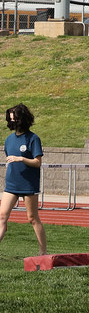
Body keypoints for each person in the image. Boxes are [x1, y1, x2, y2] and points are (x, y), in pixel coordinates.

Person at [1, 104, 46, 255]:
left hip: (28, 184)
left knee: (32, 218)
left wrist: (21, 159)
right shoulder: (9, 140)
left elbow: (37, 162)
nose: (13, 122)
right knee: (2, 216)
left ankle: (43, 252)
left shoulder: (33, 138)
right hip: (11, 184)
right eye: (11, 119)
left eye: (15, 119)